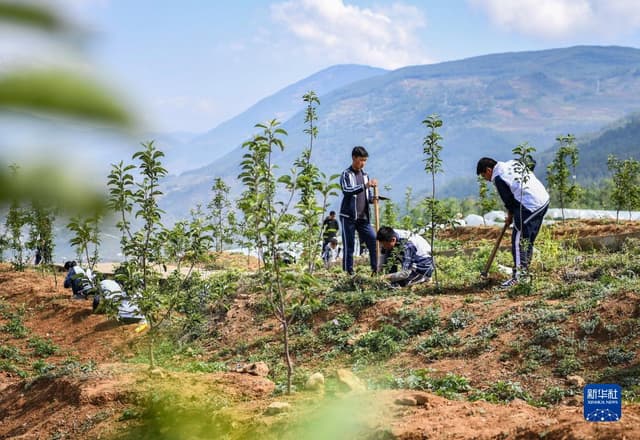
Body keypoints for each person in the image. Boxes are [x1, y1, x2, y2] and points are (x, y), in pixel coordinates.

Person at [476, 157, 549, 287]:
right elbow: (532, 161)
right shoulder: (513, 162)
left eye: (484, 176)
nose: (486, 179)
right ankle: (524, 273)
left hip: (529, 205)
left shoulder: (498, 178)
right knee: (527, 239)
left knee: (518, 240)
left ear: (488, 170)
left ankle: (519, 277)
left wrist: (510, 216)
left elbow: (509, 201)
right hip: (543, 200)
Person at [339, 146, 378, 275]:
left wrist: (374, 199)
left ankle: (375, 269)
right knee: (349, 245)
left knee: (373, 240)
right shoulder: (346, 174)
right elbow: (347, 191)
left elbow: (367, 195)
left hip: (363, 217)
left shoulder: (365, 176)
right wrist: (365, 186)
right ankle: (348, 272)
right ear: (354, 158)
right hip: (348, 216)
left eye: (365, 160)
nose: (363, 163)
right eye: (361, 160)